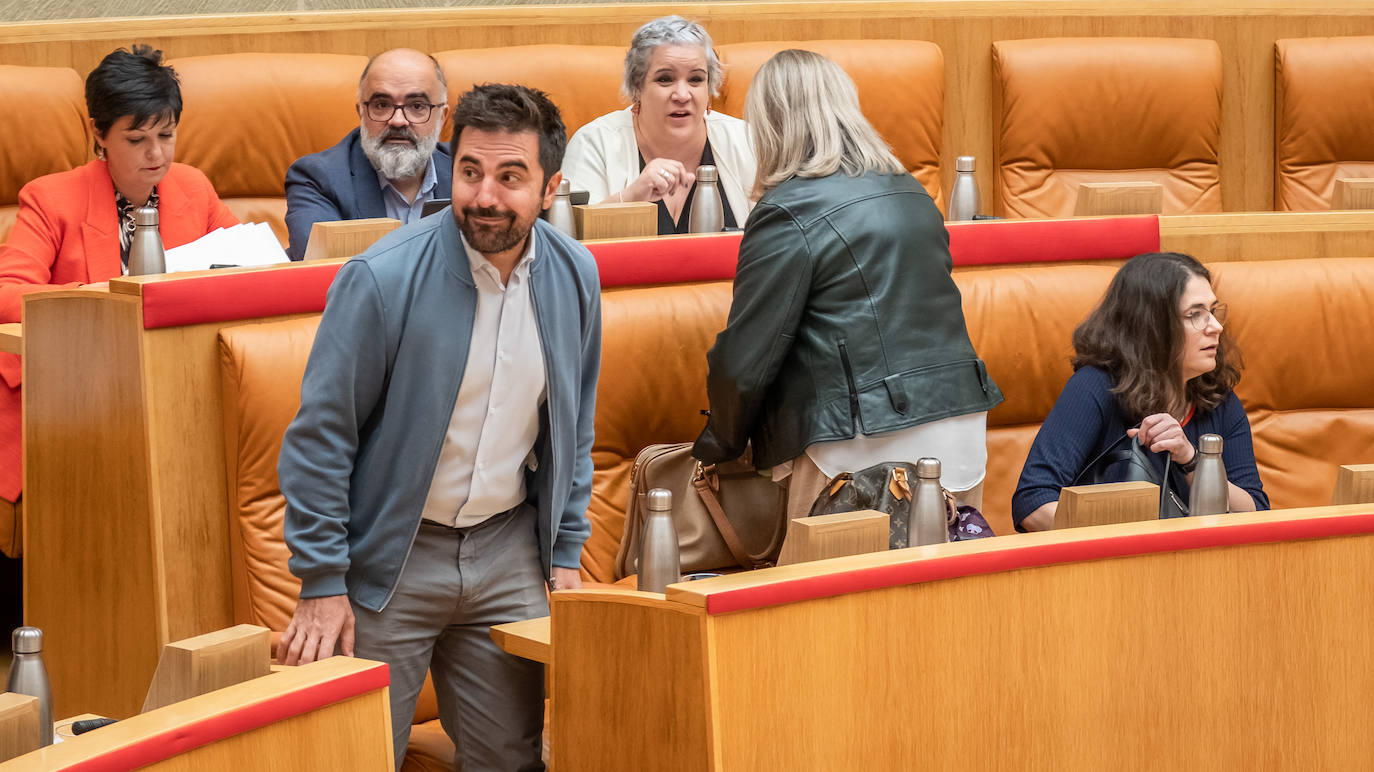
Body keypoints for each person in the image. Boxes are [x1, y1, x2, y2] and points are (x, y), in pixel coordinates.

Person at [276, 83, 599, 772]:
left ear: (550, 188)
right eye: (471, 172)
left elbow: (575, 423)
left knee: (512, 759)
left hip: (509, 549)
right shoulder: (380, 278)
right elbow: (319, 440)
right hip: (391, 555)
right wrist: (322, 581)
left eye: (511, 177)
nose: (484, 195)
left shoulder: (576, 276)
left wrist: (566, 552)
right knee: (358, 756)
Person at [692, 49, 1003, 530]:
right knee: (942, 598)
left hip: (861, 442)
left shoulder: (786, 211)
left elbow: (746, 361)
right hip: (959, 427)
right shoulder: (914, 193)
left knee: (827, 603)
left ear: (770, 125)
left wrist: (719, 446)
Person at [0, 44, 238, 515]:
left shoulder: (193, 187)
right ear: (99, 133)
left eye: (167, 136)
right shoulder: (51, 198)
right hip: (75, 390)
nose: (156, 154)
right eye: (136, 140)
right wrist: (104, 297)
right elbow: (7, 295)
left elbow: (248, 267)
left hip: (179, 382)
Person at [1013, 252, 1268, 532]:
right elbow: (1033, 502)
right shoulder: (1096, 387)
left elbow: (1256, 509)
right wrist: (1126, 538)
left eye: (1212, 310)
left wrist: (1192, 460)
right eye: (1195, 314)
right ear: (1153, 326)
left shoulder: (1218, 399)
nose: (1216, 327)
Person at [561, 15, 755, 234]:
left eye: (696, 80)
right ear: (636, 87)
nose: (682, 95)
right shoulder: (594, 143)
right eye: (665, 79)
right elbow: (567, 246)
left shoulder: (747, 141)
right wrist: (631, 197)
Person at [284, 48, 453, 260]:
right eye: (382, 105)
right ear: (361, 112)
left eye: (417, 106)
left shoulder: (471, 172)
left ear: (442, 117)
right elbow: (327, 276)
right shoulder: (317, 179)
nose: (398, 121)